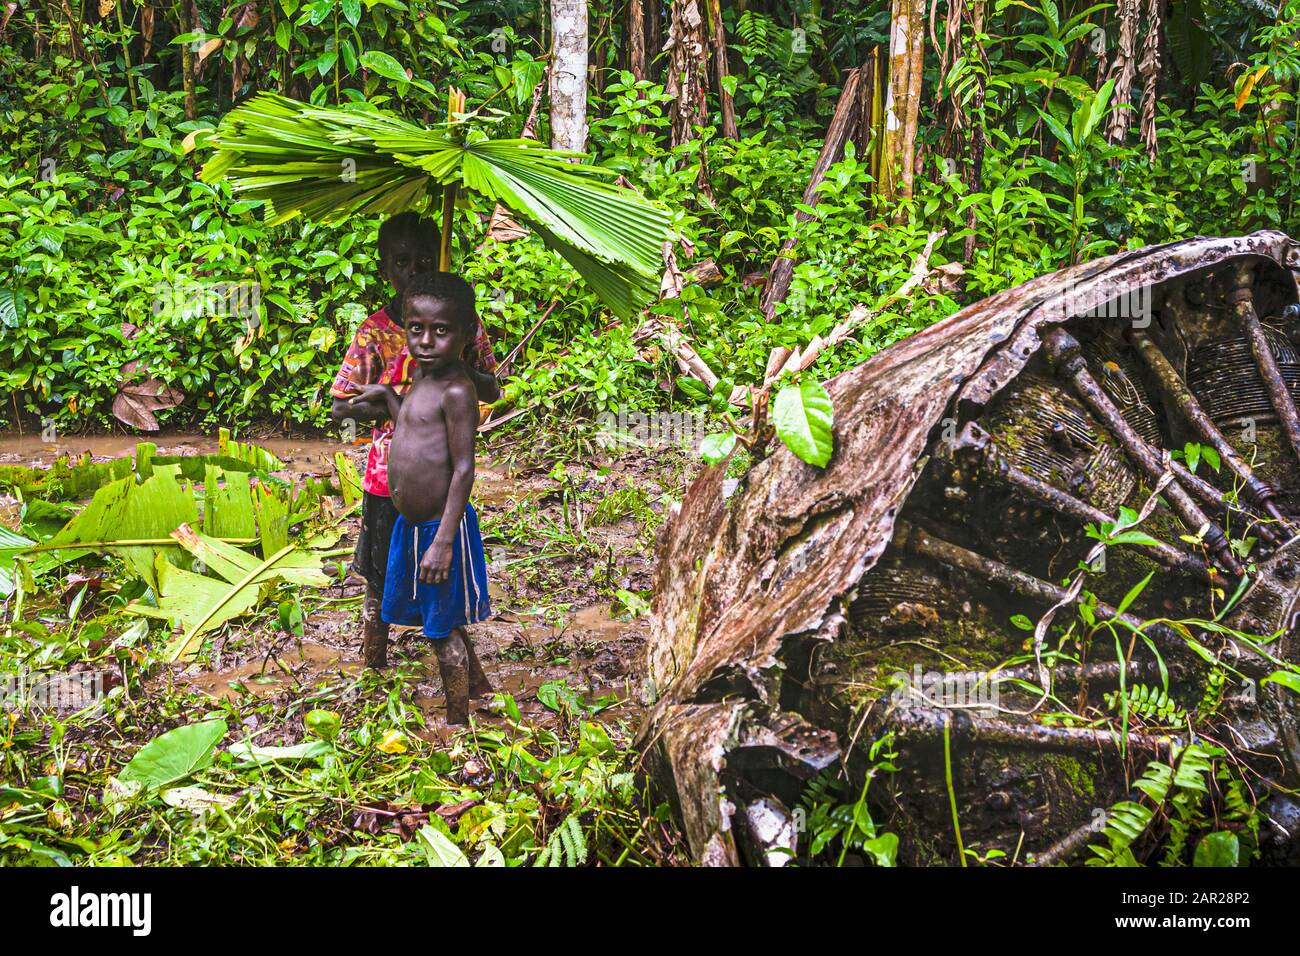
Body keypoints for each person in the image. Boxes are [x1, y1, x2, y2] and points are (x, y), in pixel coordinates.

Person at [329, 212, 500, 669]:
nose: (413, 270)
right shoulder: (375, 332)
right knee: (379, 575)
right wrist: (397, 401)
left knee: (440, 583)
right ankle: (375, 664)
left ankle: (465, 678)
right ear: (386, 268)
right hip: (387, 476)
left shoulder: (462, 329)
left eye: (424, 259)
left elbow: (491, 385)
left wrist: (453, 373)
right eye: (402, 262)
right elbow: (340, 405)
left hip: (438, 478)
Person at [349, 272, 493, 724]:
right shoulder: (421, 380)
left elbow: (463, 468)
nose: (426, 341)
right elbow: (414, 428)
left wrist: (444, 541)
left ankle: (456, 724)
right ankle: (477, 689)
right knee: (436, 617)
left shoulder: (457, 390)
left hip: (436, 528)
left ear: (465, 334)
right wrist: (390, 397)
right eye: (417, 329)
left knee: (441, 630)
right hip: (411, 527)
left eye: (441, 330)